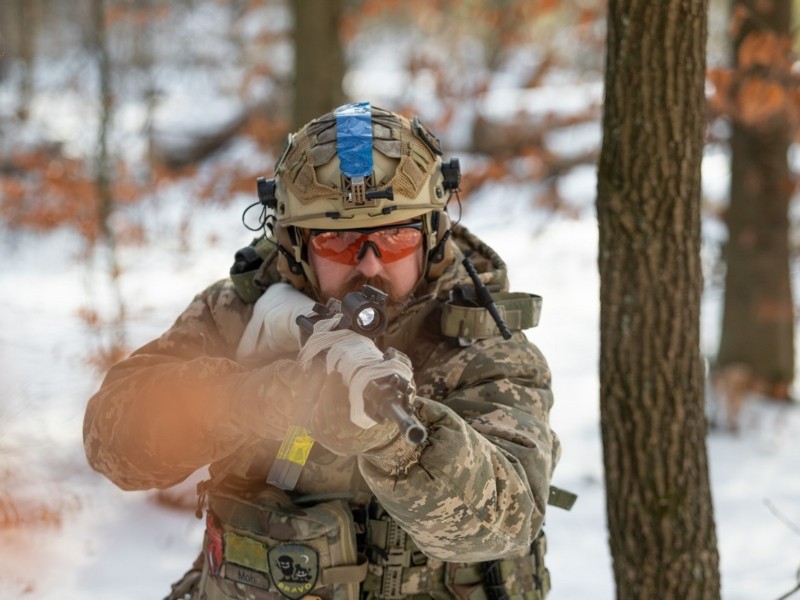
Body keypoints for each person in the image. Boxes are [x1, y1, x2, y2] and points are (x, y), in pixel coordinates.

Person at [83, 102, 569, 600]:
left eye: (396, 236)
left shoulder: (481, 343)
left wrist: (393, 443)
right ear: (296, 244)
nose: (371, 266)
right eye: (337, 240)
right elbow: (112, 444)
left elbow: (505, 523)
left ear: (433, 236)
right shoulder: (241, 311)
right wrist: (257, 398)